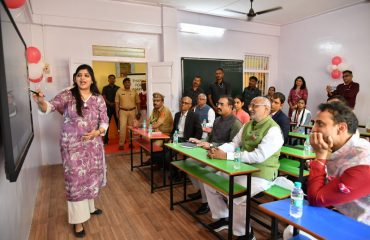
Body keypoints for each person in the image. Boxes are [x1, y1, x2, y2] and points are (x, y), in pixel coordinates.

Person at [31, 64, 109, 238]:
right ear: (75, 78)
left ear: (92, 79)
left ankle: (90, 207)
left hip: (93, 147)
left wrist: (97, 132)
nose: (83, 78)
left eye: (86, 75)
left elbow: (105, 121)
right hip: (72, 148)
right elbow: (49, 107)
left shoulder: (98, 99)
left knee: (90, 178)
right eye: (79, 75)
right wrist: (41, 101)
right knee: (75, 183)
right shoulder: (67, 95)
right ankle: (78, 221)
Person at [204, 96, 284, 239]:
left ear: (267, 109)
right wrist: (218, 150)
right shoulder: (248, 124)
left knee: (238, 197)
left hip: (261, 175)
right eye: (251, 105)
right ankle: (224, 218)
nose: (251, 108)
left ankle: (245, 234)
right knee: (210, 181)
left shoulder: (274, 130)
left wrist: (227, 156)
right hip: (242, 169)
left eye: (255, 106)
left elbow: (258, 156)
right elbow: (234, 144)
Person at [308, 102, 370, 224]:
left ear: (341, 128)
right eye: (314, 123)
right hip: (338, 212)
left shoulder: (363, 162)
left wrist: (320, 156)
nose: (313, 129)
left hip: (361, 227)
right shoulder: (337, 149)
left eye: (320, 124)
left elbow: (316, 198)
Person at [188, 96, 243, 215]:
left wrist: (211, 145)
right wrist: (201, 141)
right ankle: (202, 191)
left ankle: (206, 202)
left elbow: (233, 146)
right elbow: (211, 136)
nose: (218, 106)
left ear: (231, 107)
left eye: (222, 104)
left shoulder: (236, 123)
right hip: (211, 152)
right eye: (218, 103)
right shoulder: (218, 120)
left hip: (223, 157)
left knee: (204, 172)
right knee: (189, 163)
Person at [115, 77, 140, 150]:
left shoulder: (134, 91)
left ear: (130, 83)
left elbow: (138, 102)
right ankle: (121, 144)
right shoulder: (119, 91)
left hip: (132, 111)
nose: (127, 84)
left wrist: (139, 112)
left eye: (128, 82)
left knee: (131, 128)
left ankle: (131, 143)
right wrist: (117, 112)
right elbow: (116, 103)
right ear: (123, 84)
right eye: (126, 83)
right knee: (122, 128)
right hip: (123, 111)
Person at [102, 74, 120, 144]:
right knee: (107, 124)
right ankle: (106, 140)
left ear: (115, 80)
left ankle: (121, 139)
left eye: (113, 78)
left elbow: (120, 98)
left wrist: (115, 104)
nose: (112, 80)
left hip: (116, 108)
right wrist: (109, 103)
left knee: (119, 124)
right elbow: (103, 97)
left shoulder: (118, 88)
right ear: (108, 80)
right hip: (108, 108)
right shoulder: (105, 88)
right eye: (110, 78)